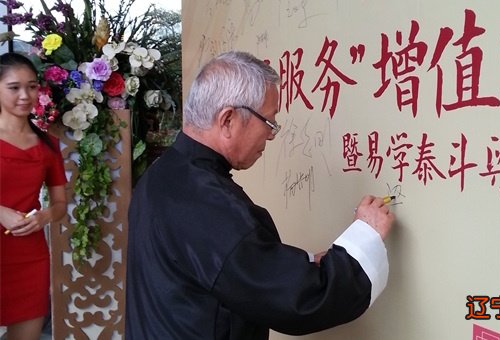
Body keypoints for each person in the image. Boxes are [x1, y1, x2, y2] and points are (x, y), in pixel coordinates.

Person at [125, 51, 395, 339]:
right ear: (228, 120)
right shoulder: (207, 204)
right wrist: (366, 234)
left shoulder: (161, 175)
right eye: (269, 122)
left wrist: (302, 264)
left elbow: (223, 267)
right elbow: (301, 301)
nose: (271, 135)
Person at [0, 53, 67, 339]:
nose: (25, 95)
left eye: (31, 86)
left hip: (30, 255)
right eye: (14, 87)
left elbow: (61, 204)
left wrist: (44, 217)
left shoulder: (49, 145)